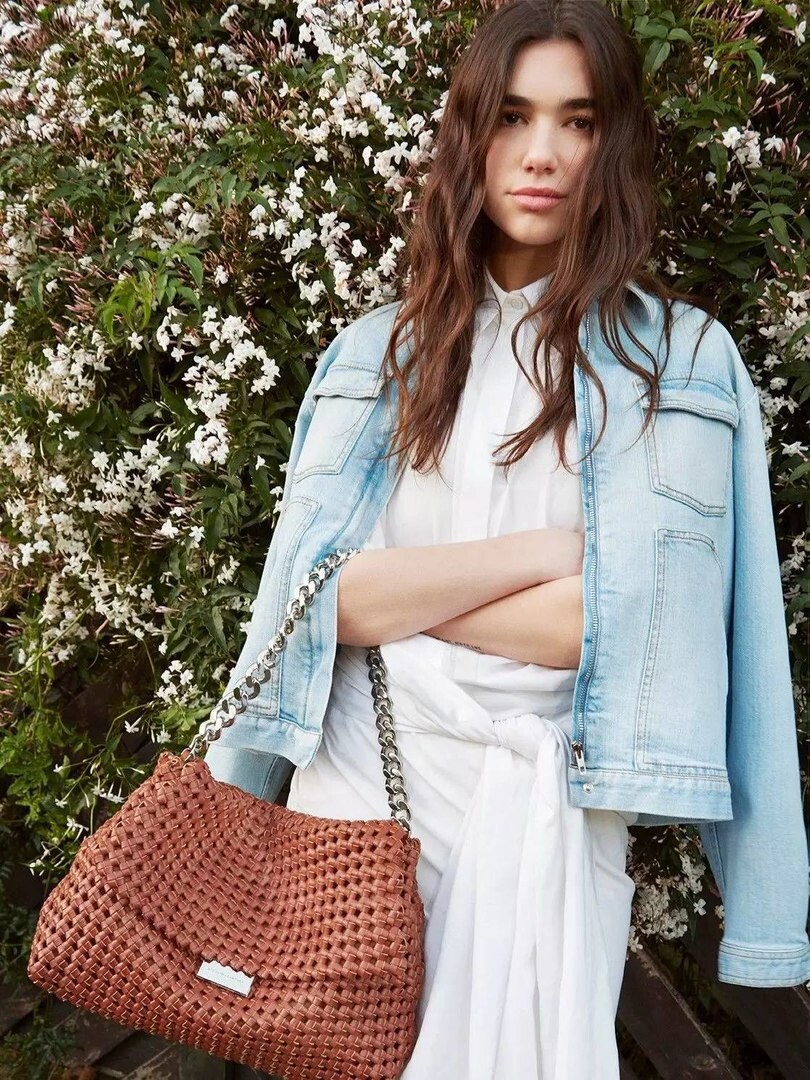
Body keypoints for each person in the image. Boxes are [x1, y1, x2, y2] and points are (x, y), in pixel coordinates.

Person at [204, 2, 810, 1077]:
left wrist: (402, 597)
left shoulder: (685, 368)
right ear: (469, 137)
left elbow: (620, 631)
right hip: (357, 808)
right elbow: (321, 603)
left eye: (578, 121)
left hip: (550, 811)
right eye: (513, 117)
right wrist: (547, 557)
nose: (542, 154)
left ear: (612, 147)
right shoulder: (371, 358)